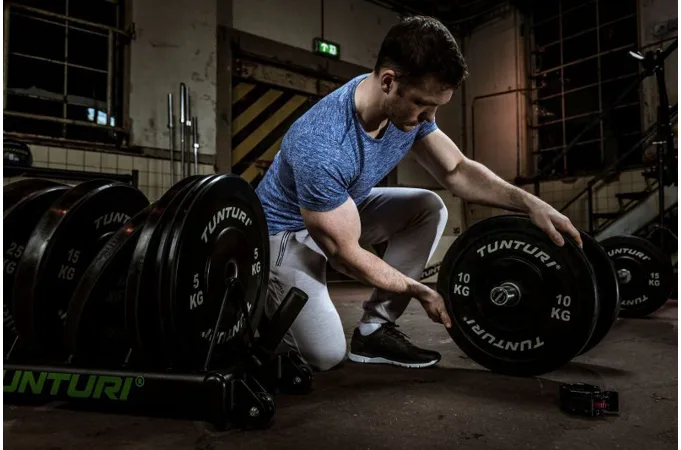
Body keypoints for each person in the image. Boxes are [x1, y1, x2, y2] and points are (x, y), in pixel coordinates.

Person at [255, 15, 582, 372]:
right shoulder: (322, 143)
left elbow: (456, 171)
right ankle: (256, 303)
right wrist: (417, 289)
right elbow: (344, 256)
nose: (429, 118)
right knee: (325, 355)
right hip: (285, 234)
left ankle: (375, 331)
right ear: (388, 81)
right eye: (423, 104)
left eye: (436, 107)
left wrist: (530, 204)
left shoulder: (405, 109)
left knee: (428, 206)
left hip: (340, 211)